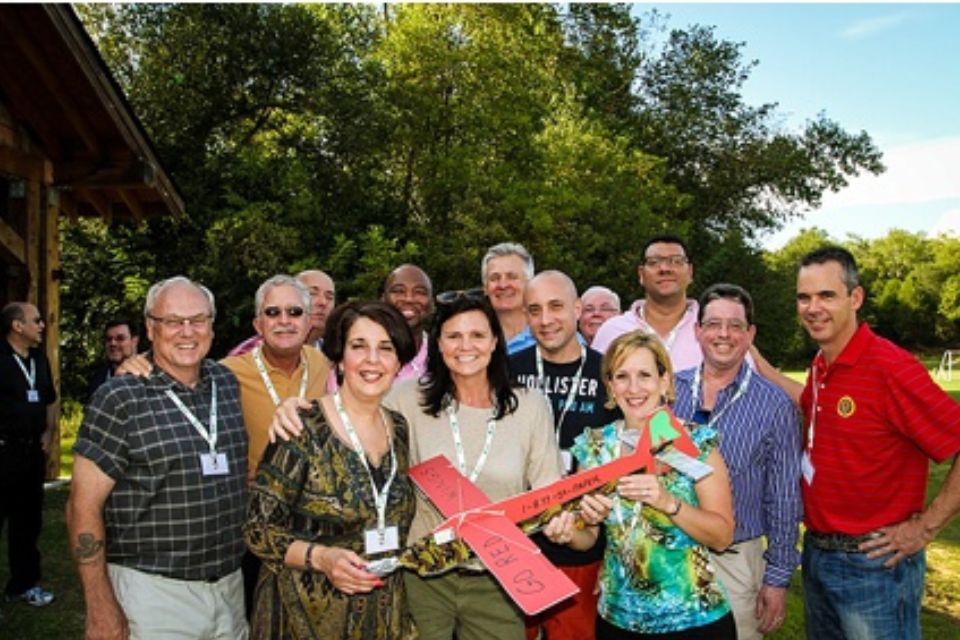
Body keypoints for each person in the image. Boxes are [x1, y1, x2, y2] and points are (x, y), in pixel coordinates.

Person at [755, 246, 960, 640]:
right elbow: (810, 404)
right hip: (817, 554)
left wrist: (926, 527)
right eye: (804, 297)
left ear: (856, 298)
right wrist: (762, 368)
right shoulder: (823, 364)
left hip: (874, 566)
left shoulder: (890, 368)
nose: (813, 308)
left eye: (826, 296)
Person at [67, 276, 249, 639]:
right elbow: (80, 507)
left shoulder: (227, 384)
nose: (187, 331)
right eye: (172, 321)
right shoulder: (120, 398)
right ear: (150, 328)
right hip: (152, 596)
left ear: (212, 325)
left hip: (230, 589)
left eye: (198, 319)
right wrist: (99, 604)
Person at [244, 301, 419, 639]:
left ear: (399, 361)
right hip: (303, 617)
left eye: (385, 348)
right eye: (359, 346)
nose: (372, 360)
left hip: (380, 613)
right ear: (340, 357)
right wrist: (322, 558)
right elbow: (257, 529)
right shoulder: (301, 427)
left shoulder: (398, 428)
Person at [571, 330, 736, 639]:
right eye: (621, 376)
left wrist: (668, 502)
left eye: (645, 375)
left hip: (695, 619)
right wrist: (571, 531)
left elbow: (722, 537)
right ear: (610, 385)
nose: (633, 388)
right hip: (618, 621)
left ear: (664, 381)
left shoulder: (697, 444)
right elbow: (588, 537)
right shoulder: (594, 449)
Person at [672, 284, 802, 639]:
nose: (723, 335)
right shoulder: (668, 391)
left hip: (735, 560)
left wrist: (777, 578)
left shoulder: (775, 405)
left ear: (750, 334)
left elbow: (784, 497)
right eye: (713, 324)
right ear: (697, 331)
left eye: (735, 325)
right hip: (668, 552)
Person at [511, 271, 619, 640]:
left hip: (583, 545)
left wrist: (614, 555)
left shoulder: (610, 372)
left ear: (577, 309)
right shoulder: (508, 372)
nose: (545, 320)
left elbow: (625, 462)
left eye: (556, 307)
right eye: (535, 310)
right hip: (517, 546)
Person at [0, 302, 57, 607]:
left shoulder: (38, 358)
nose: (42, 325)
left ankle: (23, 585)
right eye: (36, 320)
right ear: (17, 326)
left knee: (28, 522)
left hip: (31, 453)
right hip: (3, 452)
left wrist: (48, 433)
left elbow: (49, 398)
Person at [591, 235, 701, 373]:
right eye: (654, 262)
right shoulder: (613, 331)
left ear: (690, 272)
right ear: (641, 274)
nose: (665, 268)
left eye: (676, 261)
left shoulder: (711, 330)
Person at [229, 269, 336, 356]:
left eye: (329, 297)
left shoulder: (334, 355)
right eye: (312, 293)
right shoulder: (244, 357)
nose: (323, 302)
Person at [381, 264, 434, 382]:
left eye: (419, 292)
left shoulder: (443, 357)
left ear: (431, 303)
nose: (409, 299)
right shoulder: (361, 356)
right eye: (399, 291)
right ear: (383, 299)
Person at [482, 242, 536, 354]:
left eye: (512, 277)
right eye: (494, 278)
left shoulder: (550, 335)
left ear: (530, 284)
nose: (503, 285)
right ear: (485, 288)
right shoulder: (473, 341)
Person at [85, 319, 139, 401]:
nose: (113, 343)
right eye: (109, 339)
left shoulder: (151, 376)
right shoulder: (98, 379)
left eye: (120, 338)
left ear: (134, 341)